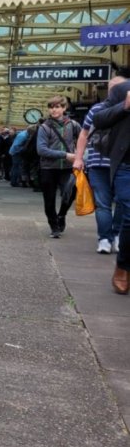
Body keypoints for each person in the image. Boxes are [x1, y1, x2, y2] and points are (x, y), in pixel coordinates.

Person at [73, 75, 126, 254]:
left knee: (117, 202)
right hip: (104, 162)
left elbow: (83, 134)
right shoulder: (98, 109)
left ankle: (111, 237)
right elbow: (84, 134)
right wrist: (78, 158)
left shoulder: (97, 108)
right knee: (110, 203)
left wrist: (79, 158)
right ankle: (108, 237)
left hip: (118, 163)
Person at [92, 78, 130, 294]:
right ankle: (123, 265)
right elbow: (98, 119)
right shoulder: (123, 90)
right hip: (127, 163)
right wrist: (124, 106)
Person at [37, 95, 81, 238]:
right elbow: (41, 149)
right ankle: (54, 226)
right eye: (51, 107)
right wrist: (65, 155)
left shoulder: (73, 125)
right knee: (49, 199)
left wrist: (80, 157)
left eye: (57, 107)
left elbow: (83, 141)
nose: (54, 110)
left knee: (71, 193)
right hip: (48, 168)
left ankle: (61, 214)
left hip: (67, 168)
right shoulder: (44, 127)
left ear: (64, 108)